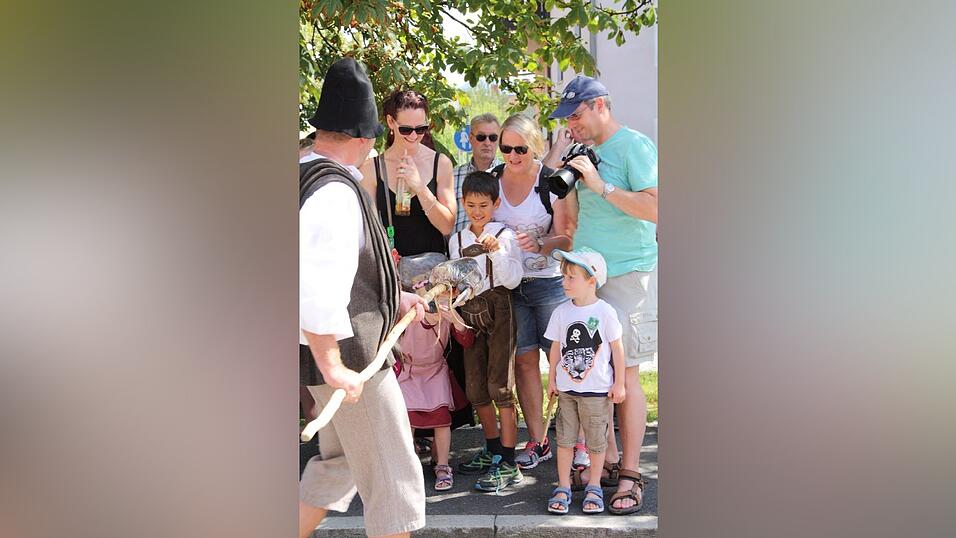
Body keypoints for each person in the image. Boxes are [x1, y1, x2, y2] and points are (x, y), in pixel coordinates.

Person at [298, 57, 427, 538]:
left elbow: (342, 272)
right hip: (351, 362)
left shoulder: (303, 172)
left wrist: (396, 298)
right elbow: (316, 285)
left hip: (323, 355)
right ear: (363, 138)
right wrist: (334, 365)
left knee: (339, 467)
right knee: (394, 482)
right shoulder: (333, 193)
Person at [549, 74, 658, 515]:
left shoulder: (634, 146)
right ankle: (606, 462)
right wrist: (561, 172)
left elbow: (657, 207)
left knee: (625, 374)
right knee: (595, 371)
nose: (570, 124)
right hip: (588, 275)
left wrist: (601, 185)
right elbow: (571, 221)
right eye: (566, 118)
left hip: (628, 272)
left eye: (575, 115)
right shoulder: (581, 152)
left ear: (600, 106)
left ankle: (631, 474)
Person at [490, 114, 573, 471]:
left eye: (520, 149)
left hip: (549, 283)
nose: (512, 155)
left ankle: (576, 441)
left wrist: (541, 244)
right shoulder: (494, 179)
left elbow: (567, 237)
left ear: (535, 146)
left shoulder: (551, 181)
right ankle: (539, 441)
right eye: (506, 148)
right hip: (510, 286)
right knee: (523, 362)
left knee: (564, 363)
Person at [447, 171, 524, 491]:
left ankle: (508, 461)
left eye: (483, 205)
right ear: (463, 203)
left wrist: (496, 252)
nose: (477, 212)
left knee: (500, 386)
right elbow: (456, 280)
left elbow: (513, 280)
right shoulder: (457, 240)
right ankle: (492, 449)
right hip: (470, 312)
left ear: (495, 204)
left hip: (500, 310)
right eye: (471, 205)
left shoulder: (505, 235)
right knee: (476, 387)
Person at [545, 249, 625, 515]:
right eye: (564, 276)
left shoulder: (605, 312)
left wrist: (619, 383)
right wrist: (552, 379)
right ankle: (563, 485)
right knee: (564, 440)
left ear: (592, 281)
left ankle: (594, 486)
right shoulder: (561, 312)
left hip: (596, 391)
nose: (564, 282)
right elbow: (556, 347)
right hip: (567, 390)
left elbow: (617, 349)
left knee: (596, 442)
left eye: (571, 277)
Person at [393, 255, 471, 492]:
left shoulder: (446, 311)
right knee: (406, 420)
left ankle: (443, 465)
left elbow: (466, 339)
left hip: (435, 371)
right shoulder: (406, 311)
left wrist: (454, 318)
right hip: (409, 372)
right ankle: (409, 463)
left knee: (441, 420)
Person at [359, 89, 456, 253]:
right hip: (390, 264)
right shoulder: (371, 169)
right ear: (390, 122)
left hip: (433, 265)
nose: (413, 136)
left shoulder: (441, 163)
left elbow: (447, 226)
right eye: (405, 129)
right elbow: (367, 228)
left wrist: (420, 187)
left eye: (420, 129)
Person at [452, 113, 503, 234]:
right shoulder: (452, 177)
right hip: (458, 244)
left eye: (493, 137)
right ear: (470, 138)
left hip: (498, 243)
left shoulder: (508, 175)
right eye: (481, 137)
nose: (487, 143)